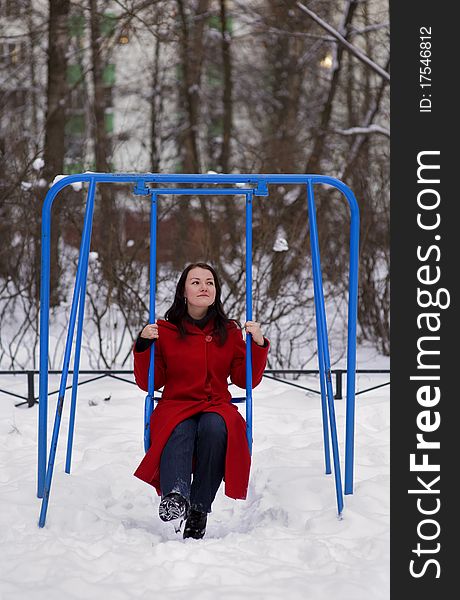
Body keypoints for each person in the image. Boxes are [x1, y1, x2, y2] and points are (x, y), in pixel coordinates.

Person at [132, 262, 269, 540]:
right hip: (177, 404)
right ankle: (176, 496)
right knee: (178, 427)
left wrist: (257, 343)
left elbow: (246, 380)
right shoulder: (165, 331)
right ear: (183, 290)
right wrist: (144, 345)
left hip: (215, 405)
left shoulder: (228, 331)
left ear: (216, 291)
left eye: (209, 282)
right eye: (195, 282)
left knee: (215, 427)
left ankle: (198, 508)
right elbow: (150, 382)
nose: (204, 287)